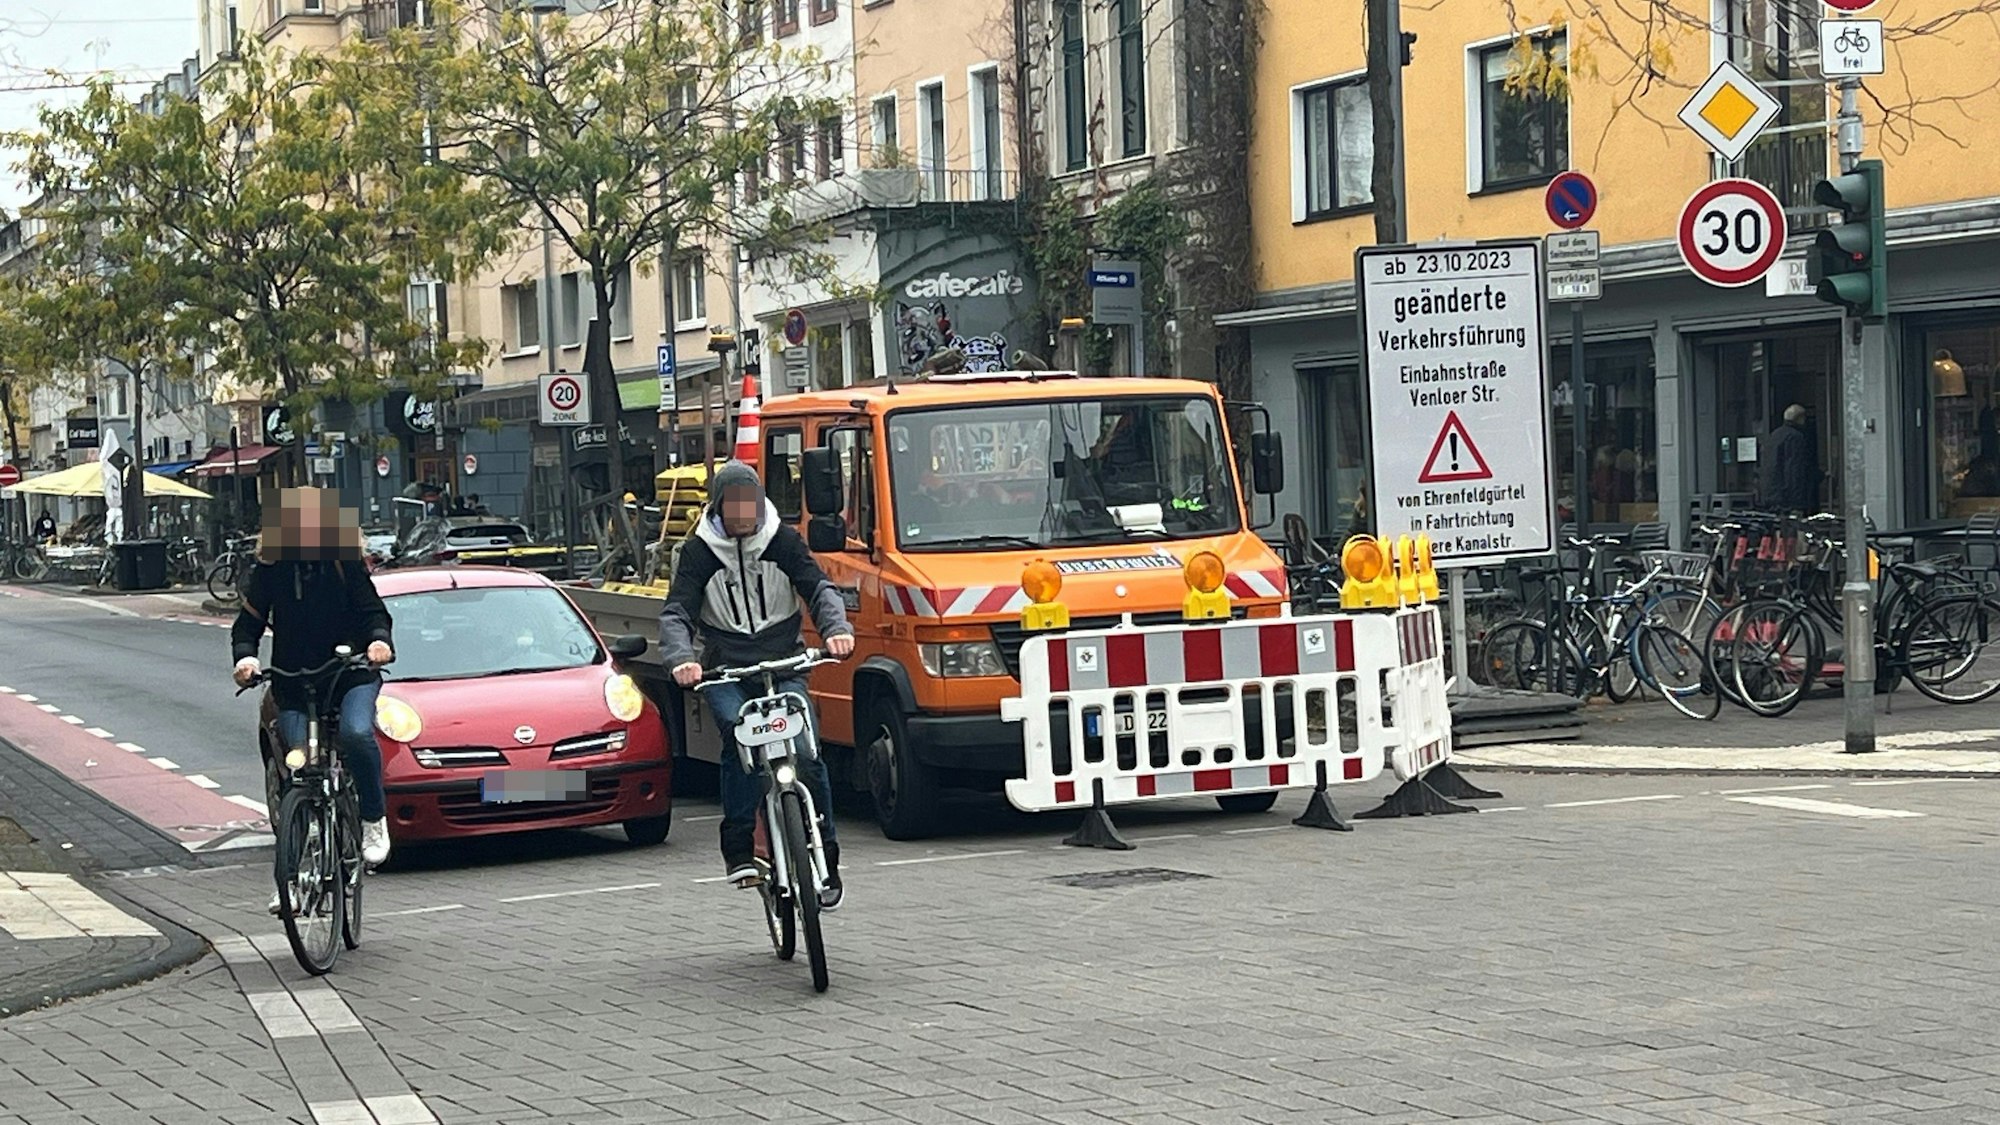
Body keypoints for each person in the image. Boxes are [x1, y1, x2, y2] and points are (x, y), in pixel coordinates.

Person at [660, 460, 855, 906]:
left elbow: (819, 588)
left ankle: (825, 852)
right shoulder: (698, 554)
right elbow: (677, 614)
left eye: (749, 503)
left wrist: (835, 629)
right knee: (738, 739)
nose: (743, 513)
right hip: (727, 668)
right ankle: (739, 849)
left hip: (785, 661)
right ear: (718, 507)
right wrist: (681, 659)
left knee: (806, 751)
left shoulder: (783, 541)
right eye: (733, 505)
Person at [229, 488, 396, 913]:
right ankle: (289, 880)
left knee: (358, 735)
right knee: (296, 772)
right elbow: (246, 627)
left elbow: (374, 614)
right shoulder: (270, 571)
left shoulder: (345, 565)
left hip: (349, 675)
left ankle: (374, 822)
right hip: (294, 683)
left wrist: (378, 643)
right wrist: (246, 659)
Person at [1759, 404, 1818, 515]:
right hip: (1788, 499)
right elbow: (1794, 469)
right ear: (1800, 418)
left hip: (1771, 495)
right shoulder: (1795, 437)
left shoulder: (1773, 436)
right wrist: (1797, 501)